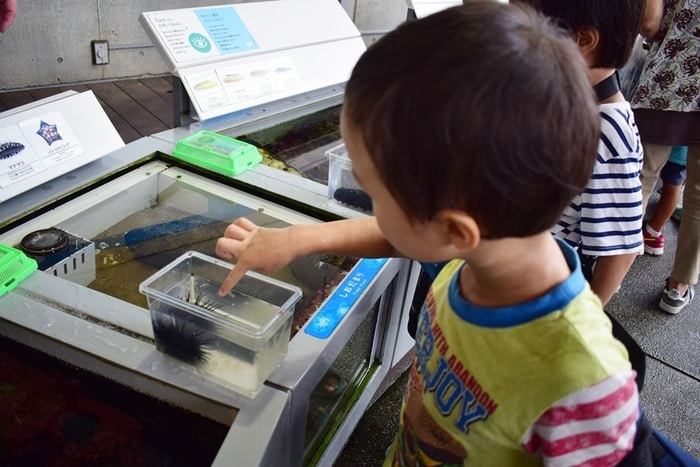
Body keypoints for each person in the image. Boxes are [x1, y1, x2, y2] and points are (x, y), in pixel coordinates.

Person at [217, 3, 642, 464]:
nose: (373, 209)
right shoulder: (483, 251)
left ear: (456, 230)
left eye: (376, 194)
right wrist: (298, 238)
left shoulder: (582, 384)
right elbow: (401, 234)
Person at [514, 0, 645, 307]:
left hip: (534, 289)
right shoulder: (555, 89)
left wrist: (584, 321)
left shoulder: (609, 133)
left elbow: (620, 249)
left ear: (582, 40)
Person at [631, 0, 700, 314]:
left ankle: (611, 264)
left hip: (669, 80)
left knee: (641, 177)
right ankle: (678, 287)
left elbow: (650, 23)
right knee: (698, 196)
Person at [643, 146, 688, 255]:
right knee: (675, 185)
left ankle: (637, 233)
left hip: (667, 142)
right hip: (685, 151)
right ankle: (653, 233)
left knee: (646, 179)